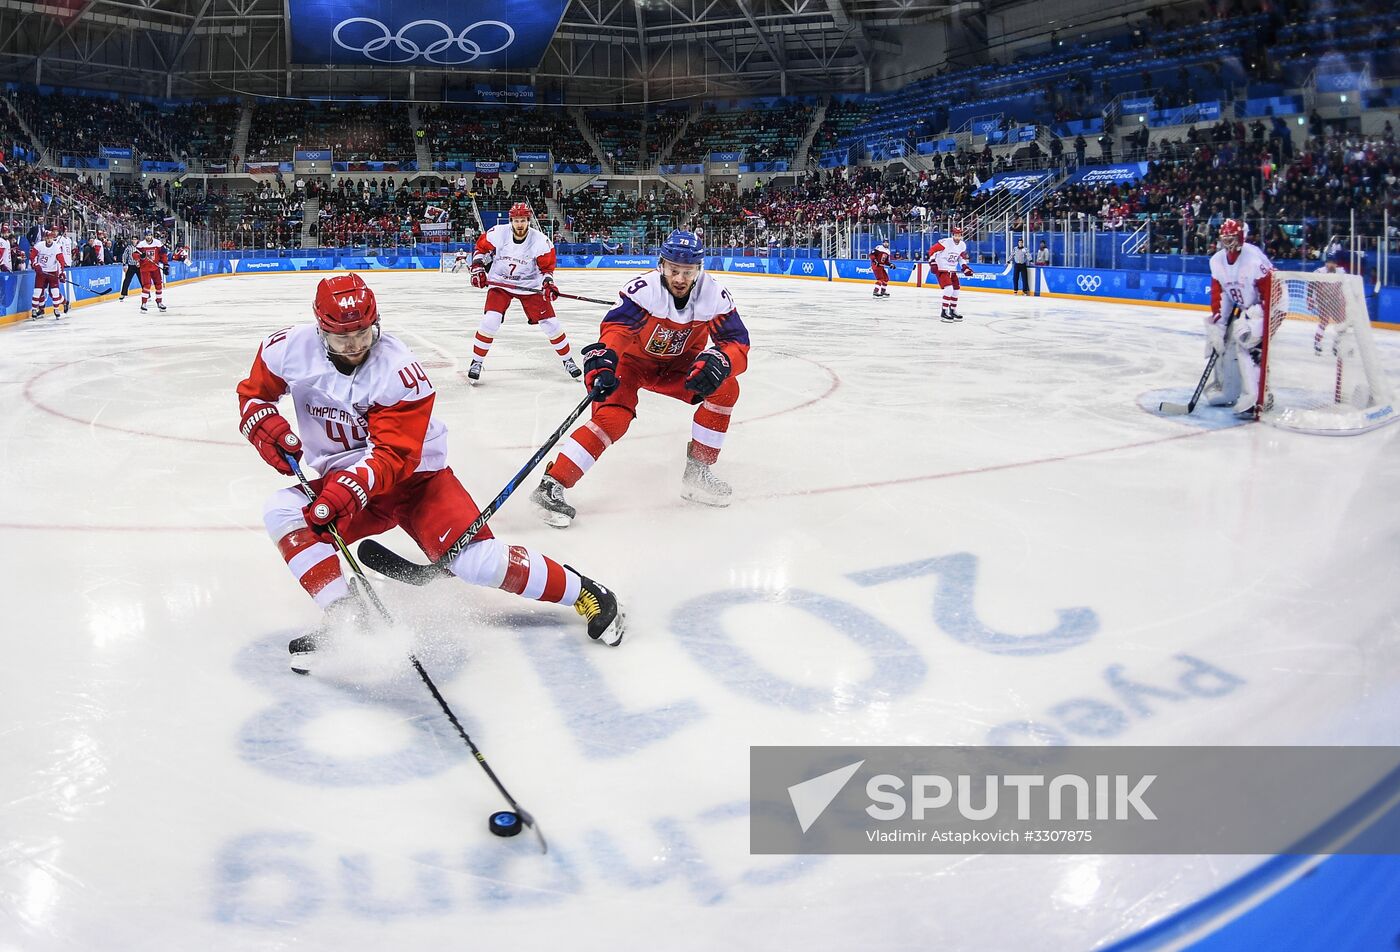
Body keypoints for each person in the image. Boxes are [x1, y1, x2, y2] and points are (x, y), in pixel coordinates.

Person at [235, 273, 624, 673]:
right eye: (342, 337)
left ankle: (586, 591)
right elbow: (253, 394)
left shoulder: (399, 372)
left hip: (418, 482)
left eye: (364, 333)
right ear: (321, 331)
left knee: (476, 563)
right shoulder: (286, 349)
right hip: (347, 481)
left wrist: (344, 493)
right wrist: (263, 425)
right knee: (282, 510)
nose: (355, 345)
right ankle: (347, 616)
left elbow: (394, 456)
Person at [530, 230, 750, 525]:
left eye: (687, 271)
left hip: (678, 367)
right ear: (662, 265)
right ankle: (552, 484)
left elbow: (737, 342)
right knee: (612, 420)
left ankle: (698, 473)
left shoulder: (714, 296)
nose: (680, 279)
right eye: (674, 270)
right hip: (632, 365)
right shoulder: (644, 290)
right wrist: (605, 360)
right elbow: (617, 330)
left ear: (699, 269)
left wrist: (723, 361)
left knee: (726, 387)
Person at [467, 202, 580, 384]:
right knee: (490, 320)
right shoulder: (498, 233)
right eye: (516, 220)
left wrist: (548, 283)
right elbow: (480, 249)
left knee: (550, 323)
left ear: (529, 221)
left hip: (530, 285)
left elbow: (547, 270)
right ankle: (476, 362)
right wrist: (478, 267)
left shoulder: (540, 241)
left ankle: (568, 360)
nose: (520, 224)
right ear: (511, 220)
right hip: (501, 282)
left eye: (523, 220)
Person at [1203, 219, 1275, 416]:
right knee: (1220, 341)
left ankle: (1260, 396)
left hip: (1270, 305)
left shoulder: (1253, 259)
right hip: (1248, 308)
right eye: (1225, 238)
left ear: (1241, 237)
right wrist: (1217, 327)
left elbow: (1271, 293)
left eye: (1232, 238)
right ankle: (1227, 390)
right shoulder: (1217, 261)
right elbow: (1221, 296)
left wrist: (1258, 321)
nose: (1228, 243)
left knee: (1246, 340)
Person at [927, 226, 975, 322]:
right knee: (949, 289)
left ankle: (952, 310)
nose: (957, 237)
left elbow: (961, 258)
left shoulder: (962, 245)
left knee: (956, 289)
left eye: (959, 235)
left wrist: (965, 268)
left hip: (952, 270)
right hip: (942, 269)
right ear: (953, 235)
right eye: (956, 235)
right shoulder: (945, 243)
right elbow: (932, 251)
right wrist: (932, 262)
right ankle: (944, 312)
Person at [27, 225, 67, 320]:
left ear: (53, 238)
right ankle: (34, 310)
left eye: (51, 238)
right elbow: (32, 257)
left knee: (55, 292)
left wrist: (61, 273)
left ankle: (56, 309)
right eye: (47, 238)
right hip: (41, 273)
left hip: (53, 272)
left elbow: (61, 261)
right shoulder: (39, 245)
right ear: (45, 238)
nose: (49, 240)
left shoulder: (56, 247)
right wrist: (36, 265)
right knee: (37, 292)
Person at [134, 228, 168, 313]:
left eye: (149, 235)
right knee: (147, 286)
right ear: (145, 236)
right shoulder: (141, 245)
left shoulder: (158, 243)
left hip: (155, 268)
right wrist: (140, 257)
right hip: (145, 269)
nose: (148, 237)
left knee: (158, 285)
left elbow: (163, 254)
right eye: (147, 235)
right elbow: (134, 254)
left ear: (152, 235)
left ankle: (159, 302)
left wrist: (166, 264)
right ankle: (144, 304)